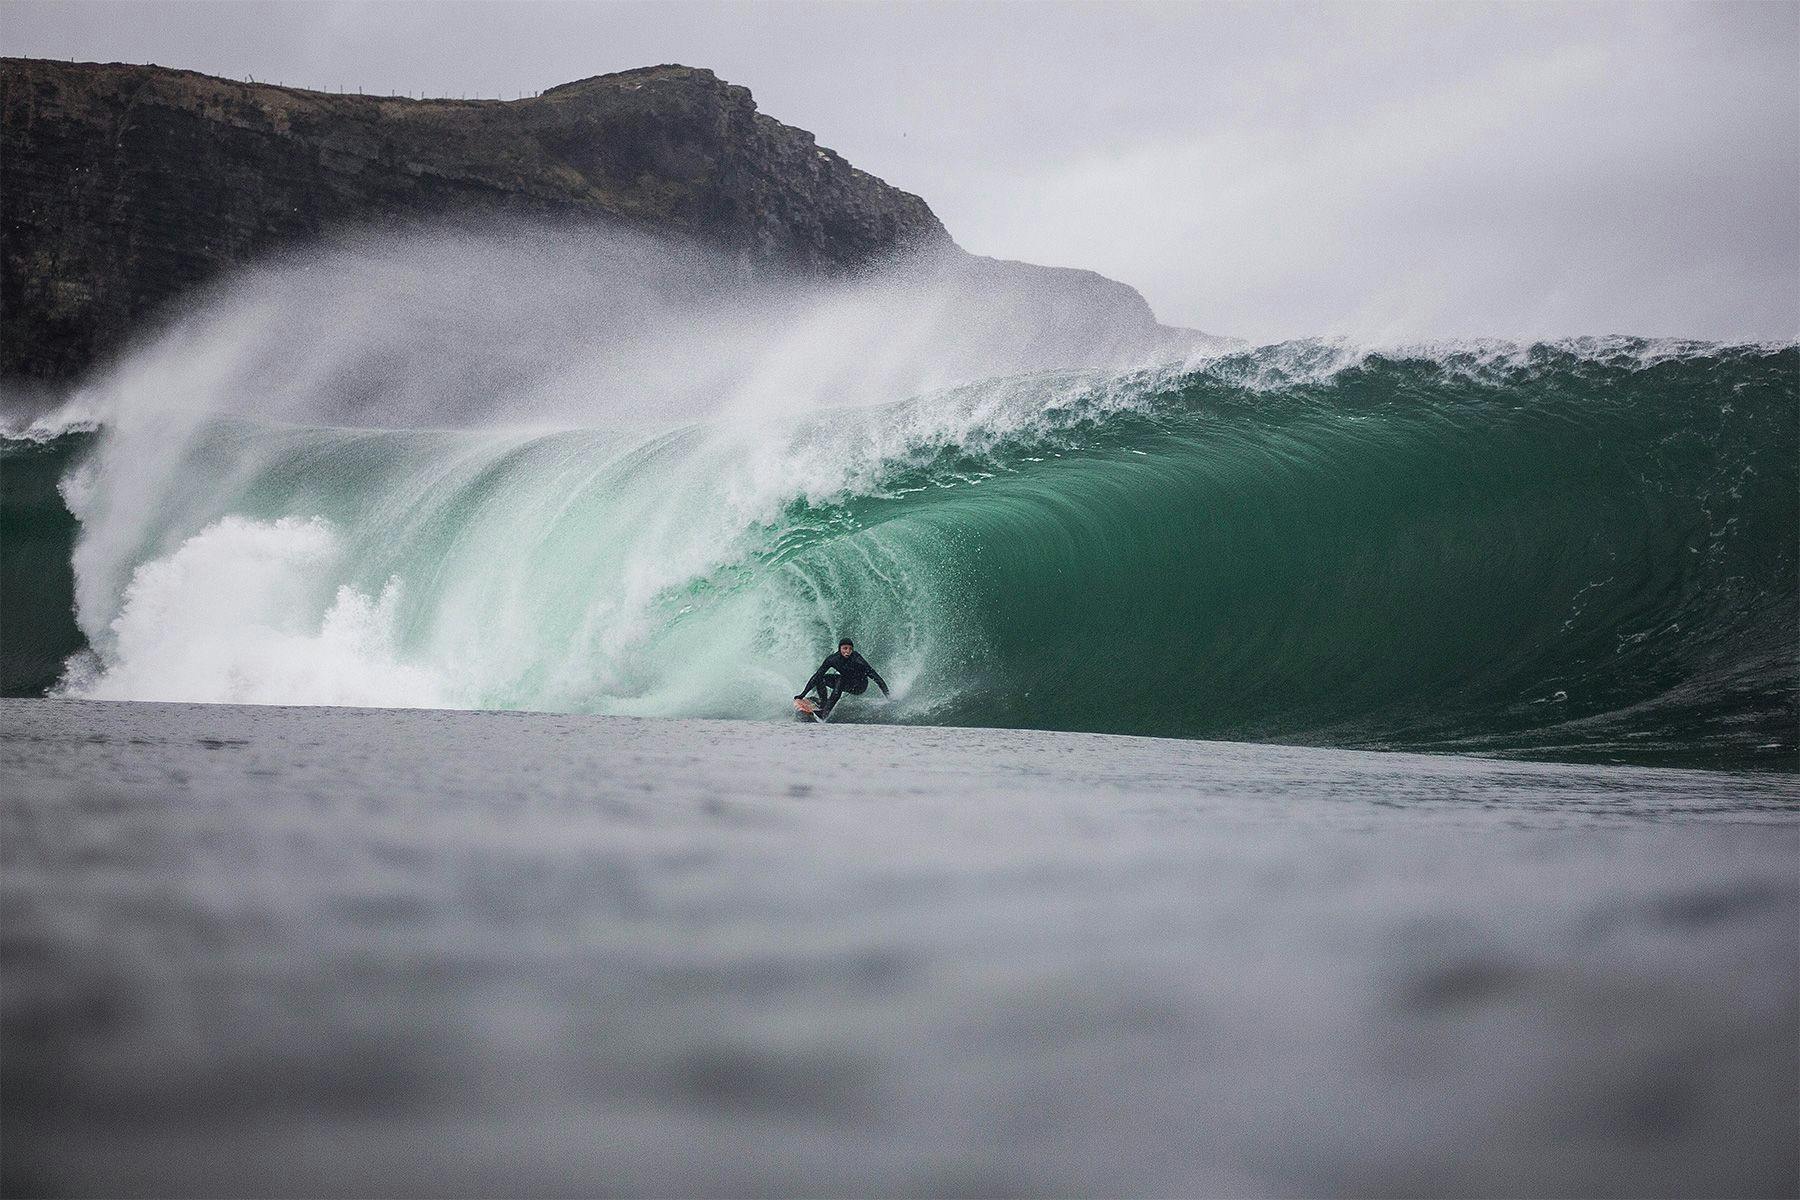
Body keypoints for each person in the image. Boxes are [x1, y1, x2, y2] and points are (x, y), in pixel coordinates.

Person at [797, 638, 889, 716]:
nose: (848, 651)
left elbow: (876, 677)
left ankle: (824, 713)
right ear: (839, 648)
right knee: (821, 678)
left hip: (859, 685)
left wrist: (888, 696)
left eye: (850, 649)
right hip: (846, 681)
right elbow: (817, 676)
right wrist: (803, 694)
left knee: (840, 680)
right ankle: (823, 702)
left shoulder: (857, 660)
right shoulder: (832, 659)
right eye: (845, 648)